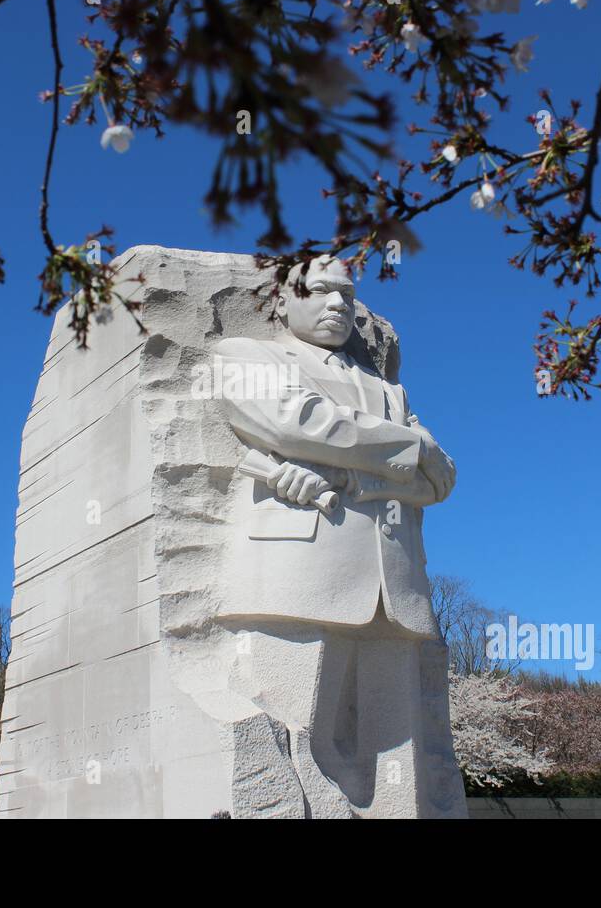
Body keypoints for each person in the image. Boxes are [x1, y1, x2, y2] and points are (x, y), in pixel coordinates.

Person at [212, 255, 466, 818]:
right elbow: (293, 421)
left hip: (395, 587)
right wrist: (407, 449)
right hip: (299, 574)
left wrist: (352, 473)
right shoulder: (246, 355)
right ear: (281, 301)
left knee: (400, 766)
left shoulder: (387, 390)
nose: (336, 305)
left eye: (346, 296)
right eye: (319, 291)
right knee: (294, 733)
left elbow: (439, 479)